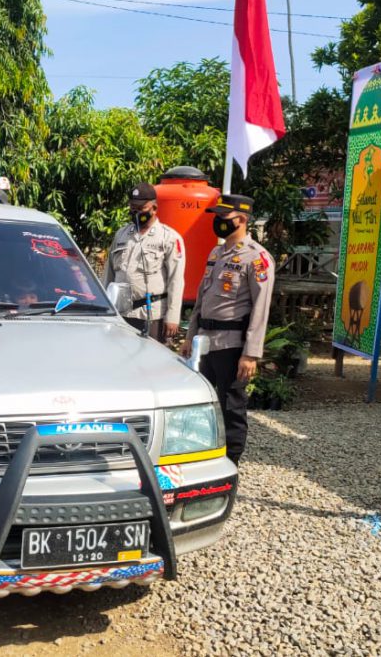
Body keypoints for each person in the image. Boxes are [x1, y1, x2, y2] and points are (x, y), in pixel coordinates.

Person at [183, 194, 275, 466]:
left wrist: (251, 354)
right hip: (205, 342)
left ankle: (231, 461)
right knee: (200, 401)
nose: (218, 222)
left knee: (231, 405)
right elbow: (202, 297)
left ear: (242, 219)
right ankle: (203, 452)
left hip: (232, 345)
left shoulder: (257, 258)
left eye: (223, 217)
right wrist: (190, 336)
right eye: (217, 217)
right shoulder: (217, 252)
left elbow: (261, 308)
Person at [103, 182, 185, 343]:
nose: (136, 212)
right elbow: (109, 274)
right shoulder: (122, 234)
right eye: (133, 207)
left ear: (154, 208)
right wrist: (105, 308)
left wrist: (173, 317)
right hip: (121, 314)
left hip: (150, 315)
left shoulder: (168, 237)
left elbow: (176, 280)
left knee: (149, 365)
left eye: (141, 208)